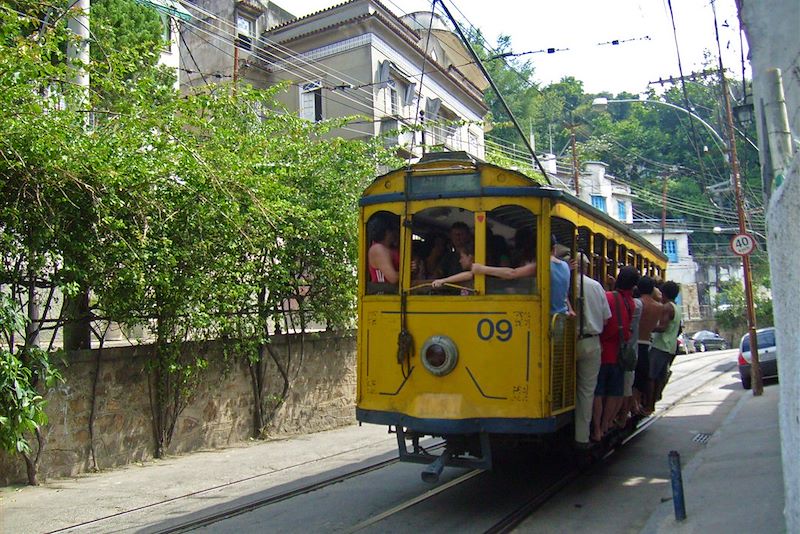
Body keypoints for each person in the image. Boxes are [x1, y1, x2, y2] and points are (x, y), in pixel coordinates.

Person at [592, 266, 639, 442]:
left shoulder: (607, 296)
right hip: (618, 354)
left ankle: (596, 428)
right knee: (614, 392)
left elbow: (604, 320)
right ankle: (606, 424)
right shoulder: (631, 303)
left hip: (603, 350)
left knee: (598, 391)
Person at [574, 253, 611, 447]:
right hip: (591, 341)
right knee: (586, 391)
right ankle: (581, 437)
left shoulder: (568, 283)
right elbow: (605, 319)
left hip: (566, 343)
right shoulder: (596, 287)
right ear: (587, 268)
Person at [647, 281, 682, 413]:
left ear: (664, 293)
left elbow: (663, 327)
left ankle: (649, 405)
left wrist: (647, 327)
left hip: (660, 346)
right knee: (659, 376)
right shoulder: (676, 307)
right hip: (670, 347)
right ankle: (653, 402)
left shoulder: (667, 307)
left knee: (650, 376)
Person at [632, 277, 663, 415]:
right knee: (641, 379)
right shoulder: (659, 307)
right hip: (647, 344)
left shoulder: (637, 303)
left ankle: (632, 406)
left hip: (634, 344)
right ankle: (637, 404)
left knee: (631, 380)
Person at [367, 215, 399, 284]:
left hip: (395, 292)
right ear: (387, 232)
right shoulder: (378, 249)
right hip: (384, 292)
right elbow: (393, 278)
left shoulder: (391, 248)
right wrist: (407, 271)